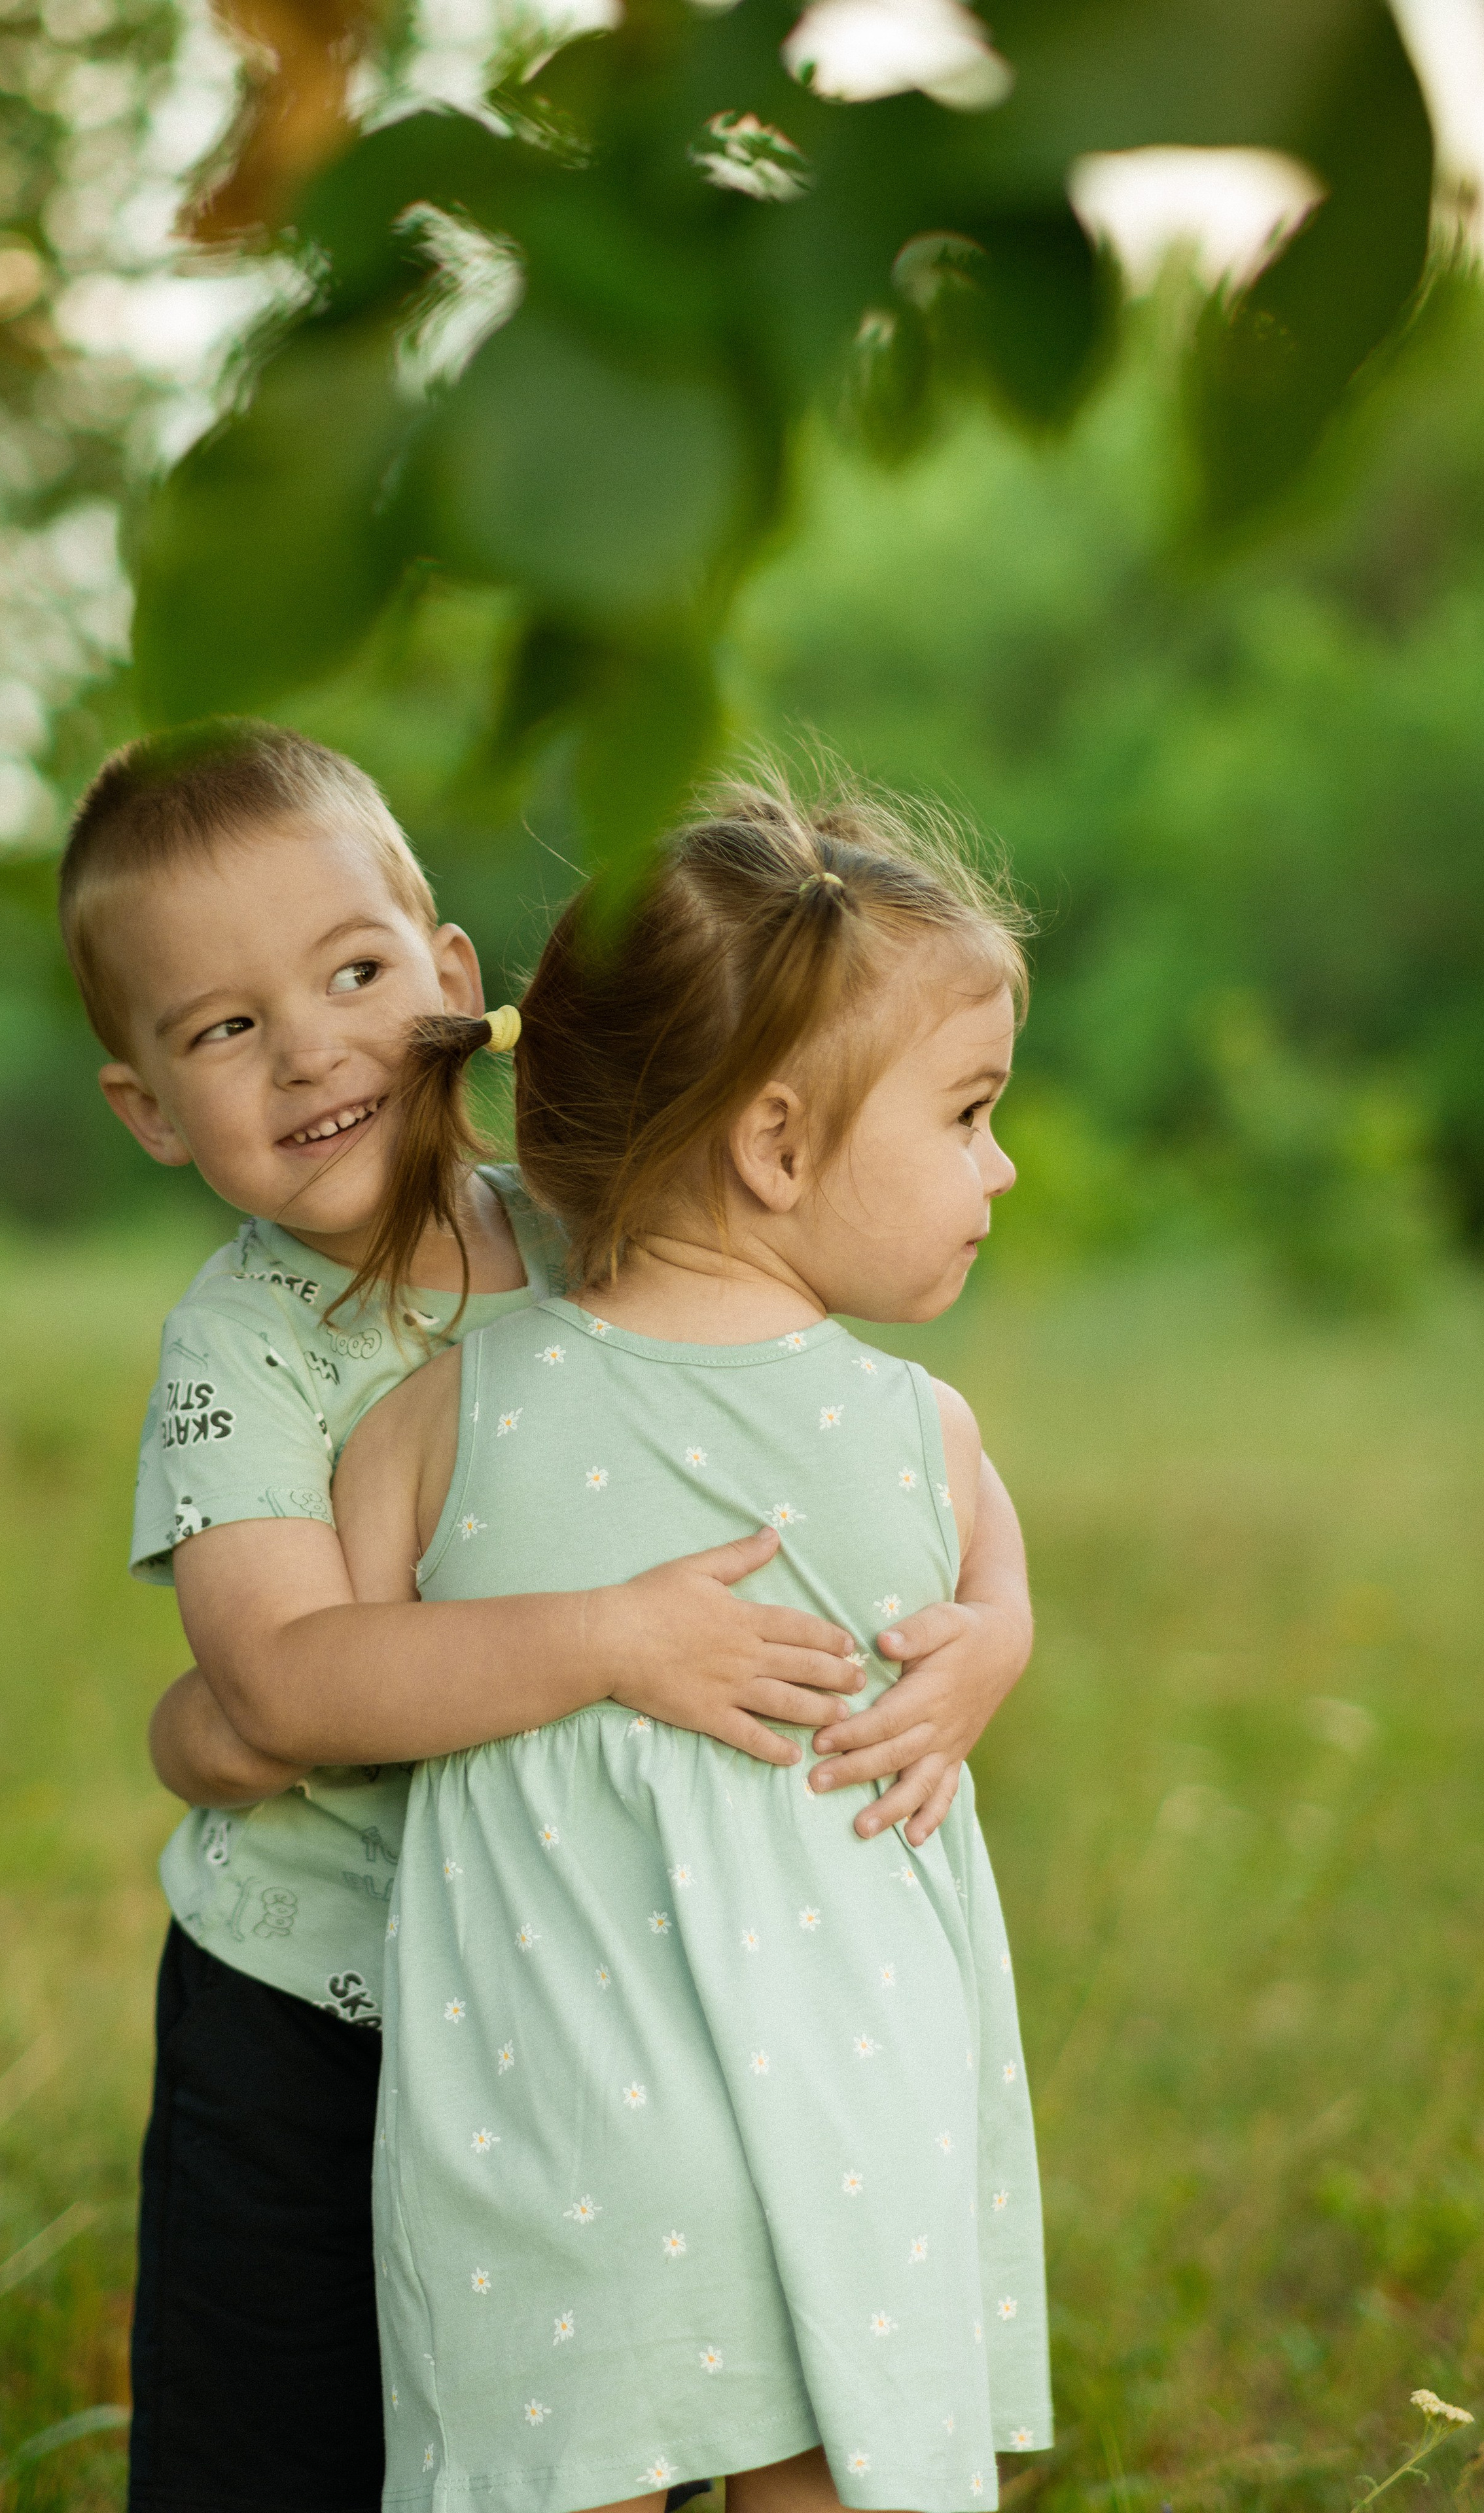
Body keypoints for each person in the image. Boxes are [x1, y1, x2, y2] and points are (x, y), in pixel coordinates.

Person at [58, 724, 1034, 2513]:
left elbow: (876, 1455)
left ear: (447, 982)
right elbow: (279, 1682)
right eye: (222, 1029)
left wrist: (988, 1631)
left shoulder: (593, 1234)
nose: (309, 1051)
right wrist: (605, 1639)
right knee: (278, 2431)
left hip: (582, 1993)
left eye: (352, 975)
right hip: (318, 1994)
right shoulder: (251, 1345)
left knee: (556, 2404)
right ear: (148, 1104)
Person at [329, 778, 1053, 2513]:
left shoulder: (450, 1411)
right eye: (966, 1115)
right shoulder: (918, 1429)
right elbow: (997, 1595)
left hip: (556, 2123)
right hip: (854, 2096)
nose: (1000, 1165)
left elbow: (332, 1689)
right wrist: (993, 1655)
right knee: (831, 2464)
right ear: (781, 1146)